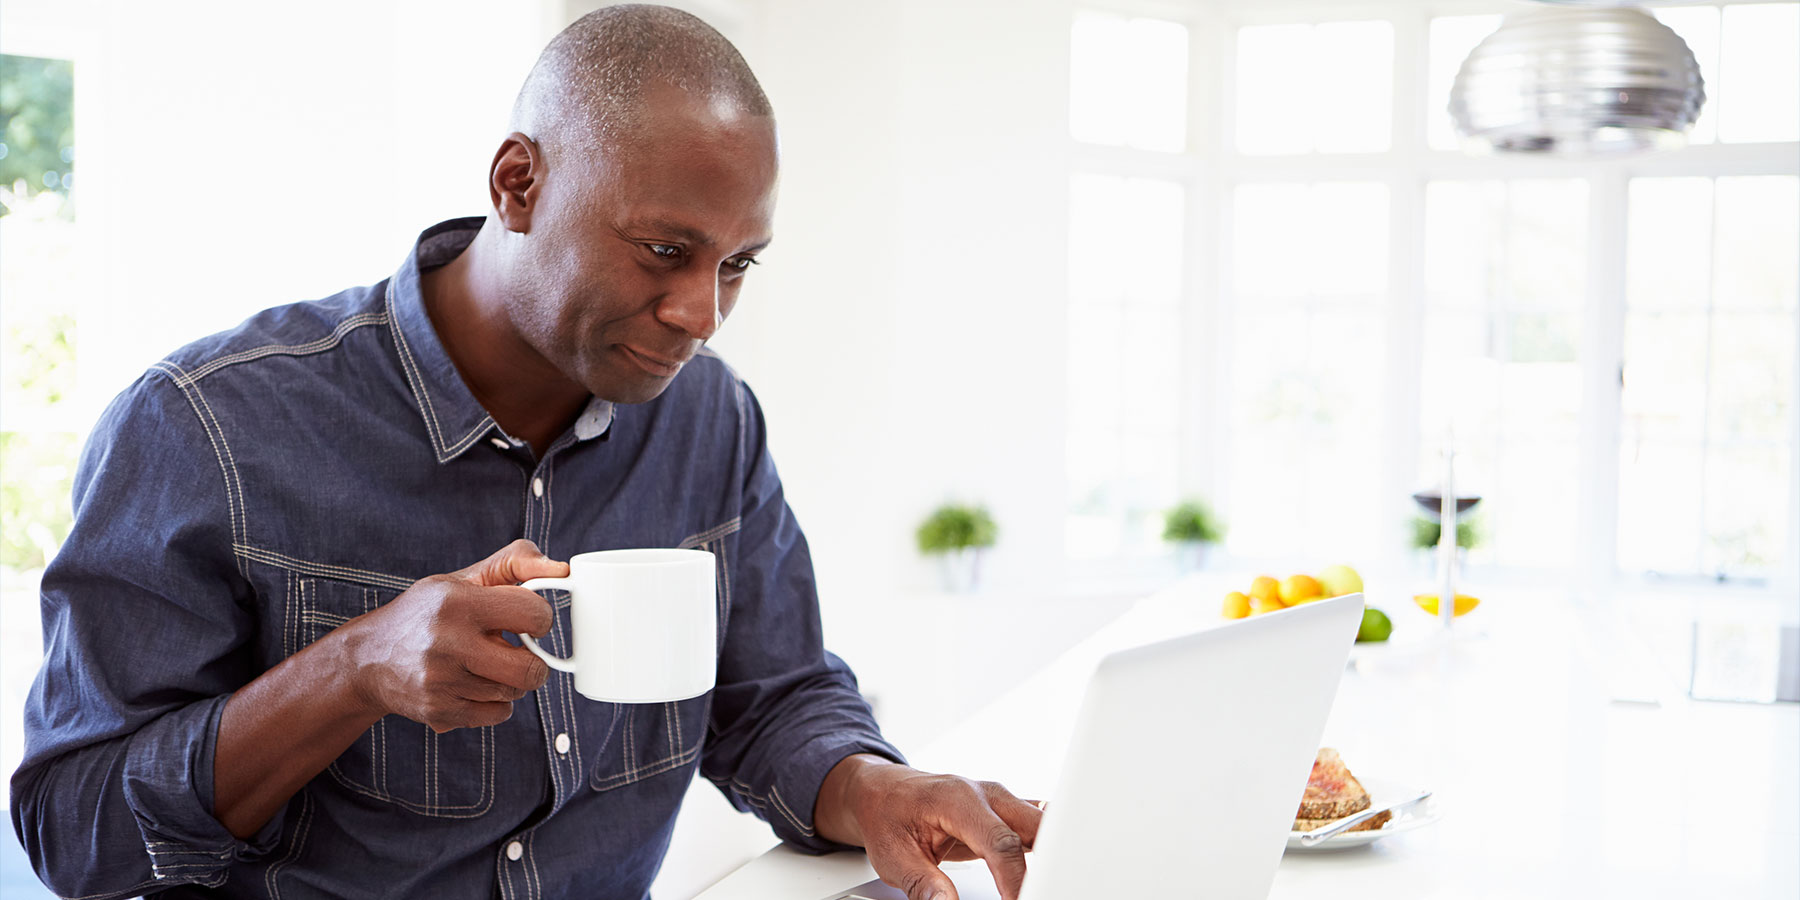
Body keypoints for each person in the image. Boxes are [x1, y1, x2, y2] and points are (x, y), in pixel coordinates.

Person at [8, 6, 1040, 899]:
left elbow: (772, 695)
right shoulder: (207, 426)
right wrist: (355, 668)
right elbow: (74, 828)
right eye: (667, 252)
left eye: (738, 266)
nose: (701, 314)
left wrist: (868, 784)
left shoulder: (710, 423)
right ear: (519, 183)